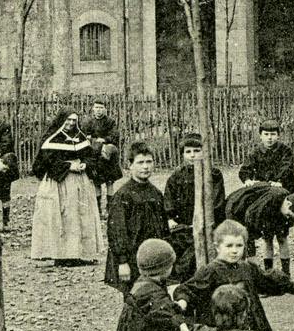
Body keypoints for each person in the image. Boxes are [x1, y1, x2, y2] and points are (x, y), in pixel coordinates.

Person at [31, 112, 109, 265]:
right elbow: (46, 162)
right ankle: (61, 255)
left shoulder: (80, 137)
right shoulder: (51, 139)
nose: (71, 123)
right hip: (59, 183)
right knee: (63, 217)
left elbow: (90, 155)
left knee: (80, 216)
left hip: (80, 181)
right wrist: (68, 166)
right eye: (68, 120)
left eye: (74, 120)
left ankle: (78, 254)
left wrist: (85, 164)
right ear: (61, 120)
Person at [164, 133, 226, 281]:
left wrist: (204, 221)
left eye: (196, 151)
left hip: (207, 223)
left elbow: (217, 202)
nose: (192, 155)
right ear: (183, 154)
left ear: (204, 152)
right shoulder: (176, 176)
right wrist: (171, 218)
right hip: (184, 225)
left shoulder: (213, 174)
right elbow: (168, 200)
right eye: (188, 152)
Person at [107, 142, 170, 289]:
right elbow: (117, 231)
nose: (145, 167)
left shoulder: (155, 193)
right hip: (132, 259)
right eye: (140, 162)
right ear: (130, 165)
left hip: (153, 257)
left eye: (149, 162)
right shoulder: (123, 195)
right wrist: (122, 262)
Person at [224, 179, 294, 272]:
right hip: (237, 209)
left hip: (262, 211)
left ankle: (281, 273)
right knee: (247, 241)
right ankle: (253, 273)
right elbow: (250, 222)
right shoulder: (266, 205)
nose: (289, 219)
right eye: (289, 216)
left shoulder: (287, 204)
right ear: (288, 204)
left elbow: (283, 230)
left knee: (280, 237)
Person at [237, 122, 294, 194]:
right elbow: (245, 169)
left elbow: (287, 169)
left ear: (278, 136)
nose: (269, 137)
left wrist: (279, 181)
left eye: (273, 134)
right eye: (266, 134)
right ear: (260, 136)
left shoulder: (286, 151)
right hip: (263, 188)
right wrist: (247, 180)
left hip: (283, 186)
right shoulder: (256, 152)